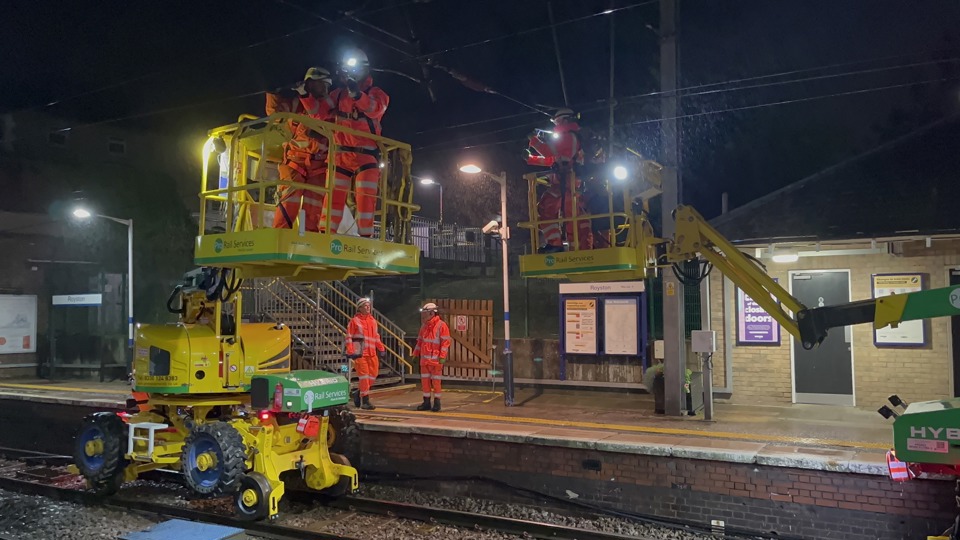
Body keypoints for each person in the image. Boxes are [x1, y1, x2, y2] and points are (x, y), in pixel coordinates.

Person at [299, 48, 389, 236]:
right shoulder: (338, 95)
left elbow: (375, 109)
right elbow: (320, 114)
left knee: (366, 200)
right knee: (333, 199)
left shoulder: (377, 93)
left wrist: (358, 95)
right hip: (341, 154)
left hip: (366, 155)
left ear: (366, 69)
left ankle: (366, 240)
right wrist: (304, 95)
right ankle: (325, 235)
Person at [266, 67, 334, 232]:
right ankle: (281, 236)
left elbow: (321, 116)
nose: (325, 89)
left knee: (313, 209)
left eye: (326, 85)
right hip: (294, 162)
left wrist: (305, 95)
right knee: (289, 200)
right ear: (310, 84)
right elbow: (275, 115)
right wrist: (272, 93)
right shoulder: (297, 104)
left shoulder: (330, 105)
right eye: (321, 84)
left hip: (318, 166)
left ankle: (306, 238)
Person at [526, 109, 593, 252]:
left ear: (564, 120)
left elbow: (548, 151)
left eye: (556, 122)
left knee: (546, 208)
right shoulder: (573, 138)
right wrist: (530, 159)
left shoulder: (568, 137)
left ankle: (556, 244)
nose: (555, 125)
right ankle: (578, 250)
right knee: (572, 220)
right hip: (570, 184)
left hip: (566, 182)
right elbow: (554, 160)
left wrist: (533, 139)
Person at [345, 297, 385, 410]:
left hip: (372, 354)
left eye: (369, 306)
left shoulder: (373, 321)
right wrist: (351, 351)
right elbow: (349, 337)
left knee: (373, 375)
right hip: (360, 354)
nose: (368, 307)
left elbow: (376, 336)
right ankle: (365, 401)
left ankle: (358, 393)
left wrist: (381, 348)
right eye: (366, 306)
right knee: (364, 377)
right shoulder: (354, 321)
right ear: (360, 308)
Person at [411, 302, 451, 412]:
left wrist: (442, 356)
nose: (423, 316)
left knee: (436, 382)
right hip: (424, 361)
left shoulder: (441, 326)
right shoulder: (424, 326)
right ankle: (426, 402)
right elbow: (420, 342)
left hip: (436, 361)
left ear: (432, 313)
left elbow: (445, 342)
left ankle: (437, 403)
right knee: (425, 382)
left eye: (425, 313)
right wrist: (415, 354)